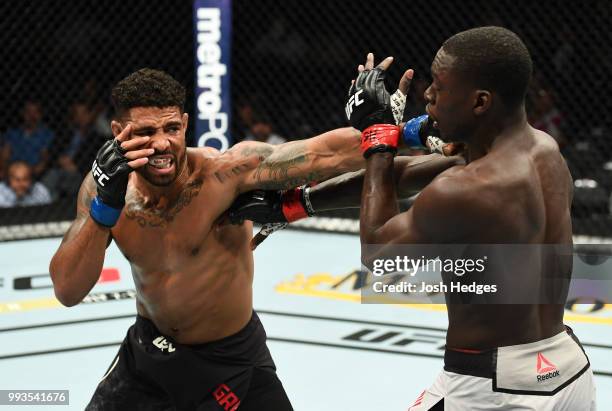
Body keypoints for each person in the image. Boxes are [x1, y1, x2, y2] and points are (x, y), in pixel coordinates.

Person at [230, 27, 596, 410]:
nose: (428, 94)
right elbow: (400, 177)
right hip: (565, 365)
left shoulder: (468, 187)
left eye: (439, 85)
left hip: (493, 390)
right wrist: (297, 203)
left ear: (480, 102)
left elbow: (378, 252)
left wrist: (377, 136)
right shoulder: (544, 152)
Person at [48, 68, 458, 410]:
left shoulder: (224, 174)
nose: (161, 144)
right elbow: (68, 289)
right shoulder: (104, 190)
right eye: (145, 132)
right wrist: (104, 206)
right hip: (149, 353)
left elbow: (323, 155)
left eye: (172, 128)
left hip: (231, 360)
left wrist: (410, 131)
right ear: (118, 131)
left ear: (186, 124)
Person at [2, 100, 54, 178]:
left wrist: (29, 173)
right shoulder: (13, 133)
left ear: (40, 115)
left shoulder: (46, 134)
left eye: (35, 112)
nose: (31, 116)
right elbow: (4, 155)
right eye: (28, 112)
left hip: (34, 172)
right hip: (12, 171)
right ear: (22, 113)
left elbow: (45, 159)